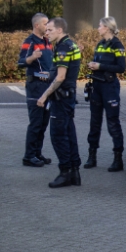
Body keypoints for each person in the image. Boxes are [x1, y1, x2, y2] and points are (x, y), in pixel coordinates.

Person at [37, 17, 82, 188]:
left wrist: (44, 96)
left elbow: (61, 76)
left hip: (61, 98)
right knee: (69, 132)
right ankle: (74, 171)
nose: (46, 33)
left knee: (58, 136)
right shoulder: (72, 44)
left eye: (49, 30)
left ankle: (65, 172)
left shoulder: (62, 47)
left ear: (59, 30)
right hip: (68, 96)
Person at [84, 16, 126, 172]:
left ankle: (118, 159)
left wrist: (100, 65)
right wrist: (92, 65)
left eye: (100, 26)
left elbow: (121, 67)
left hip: (109, 87)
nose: (98, 28)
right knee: (94, 123)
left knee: (113, 123)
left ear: (107, 28)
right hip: (97, 85)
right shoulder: (100, 44)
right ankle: (92, 156)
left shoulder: (117, 45)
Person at [17, 13, 53, 167]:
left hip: (47, 86)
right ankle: (29, 156)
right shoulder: (29, 42)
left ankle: (37, 153)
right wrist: (32, 57)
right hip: (35, 86)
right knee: (36, 122)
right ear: (37, 25)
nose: (48, 26)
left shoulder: (48, 42)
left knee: (44, 122)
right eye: (45, 24)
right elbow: (20, 62)